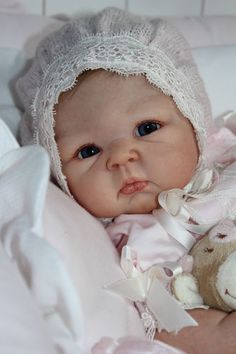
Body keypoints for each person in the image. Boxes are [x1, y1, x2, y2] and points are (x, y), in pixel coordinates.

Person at [16, 7, 236, 353]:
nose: (120, 157)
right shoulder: (127, 248)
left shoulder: (229, 158)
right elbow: (159, 323)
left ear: (194, 120)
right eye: (88, 151)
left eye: (146, 129)